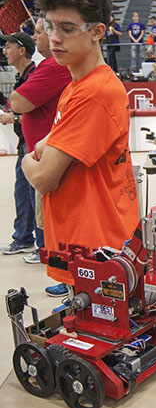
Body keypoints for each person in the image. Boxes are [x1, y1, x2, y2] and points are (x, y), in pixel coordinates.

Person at [22, 0, 139, 298]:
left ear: (97, 31)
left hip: (94, 246)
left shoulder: (94, 93)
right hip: (84, 241)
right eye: (49, 26)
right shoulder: (77, 87)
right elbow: (47, 147)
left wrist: (25, 160)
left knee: (96, 332)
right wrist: (40, 152)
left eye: (67, 29)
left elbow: (43, 176)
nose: (54, 38)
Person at [6, 18, 72, 265]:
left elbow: (19, 102)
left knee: (44, 206)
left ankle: (52, 255)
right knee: (36, 201)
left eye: (37, 32)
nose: (34, 37)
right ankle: (49, 252)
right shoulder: (49, 67)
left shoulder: (51, 67)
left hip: (45, 151)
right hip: (41, 148)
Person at [0, 33, 38, 258]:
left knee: (33, 195)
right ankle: (23, 237)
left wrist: (13, 118)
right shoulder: (23, 76)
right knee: (23, 192)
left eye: (8, 46)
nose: (4, 51)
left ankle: (39, 244)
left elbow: (44, 115)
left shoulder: (34, 77)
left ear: (22, 50)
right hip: (25, 142)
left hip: (33, 145)